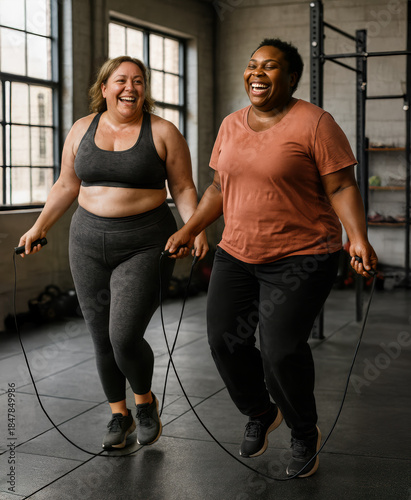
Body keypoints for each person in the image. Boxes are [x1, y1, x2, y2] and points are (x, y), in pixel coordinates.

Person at [165, 38, 377, 477]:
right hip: (237, 252)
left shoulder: (315, 123)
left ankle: (303, 431)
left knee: (280, 351)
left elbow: (341, 187)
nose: (257, 72)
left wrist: (357, 237)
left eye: (271, 66)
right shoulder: (231, 125)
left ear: (292, 77)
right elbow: (220, 188)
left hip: (302, 255)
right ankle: (260, 413)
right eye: (252, 65)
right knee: (225, 340)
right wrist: (190, 228)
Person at [17, 55, 208, 450]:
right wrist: (39, 226)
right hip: (86, 242)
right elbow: (66, 185)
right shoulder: (82, 129)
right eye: (121, 80)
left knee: (123, 335)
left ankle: (144, 403)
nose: (131, 88)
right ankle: (118, 416)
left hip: (144, 242)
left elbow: (185, 187)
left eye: (139, 81)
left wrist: (195, 227)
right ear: (103, 88)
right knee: (101, 338)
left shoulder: (163, 131)